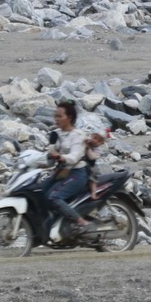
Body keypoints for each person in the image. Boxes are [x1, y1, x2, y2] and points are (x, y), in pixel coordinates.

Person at [44, 100, 105, 236]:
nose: (56, 119)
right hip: (62, 172)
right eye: (55, 116)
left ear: (69, 117)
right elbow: (50, 154)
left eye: (60, 116)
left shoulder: (78, 135)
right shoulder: (56, 133)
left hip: (78, 173)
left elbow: (75, 156)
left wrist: (61, 157)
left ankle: (81, 222)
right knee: (41, 191)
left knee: (54, 197)